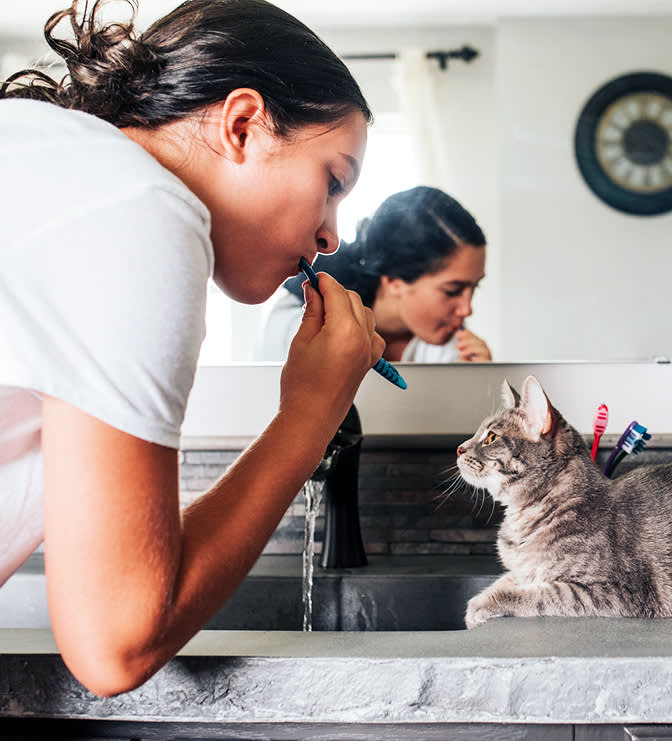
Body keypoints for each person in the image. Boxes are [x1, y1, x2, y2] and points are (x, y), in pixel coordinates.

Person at [0, 0, 384, 697]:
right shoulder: (140, 207)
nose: (333, 236)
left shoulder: (55, 164)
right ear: (242, 125)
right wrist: (310, 415)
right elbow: (116, 642)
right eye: (332, 181)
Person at [256, 186, 492, 363]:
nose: (466, 309)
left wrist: (478, 388)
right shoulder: (297, 318)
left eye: (474, 288)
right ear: (394, 280)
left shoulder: (454, 345)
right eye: (453, 291)